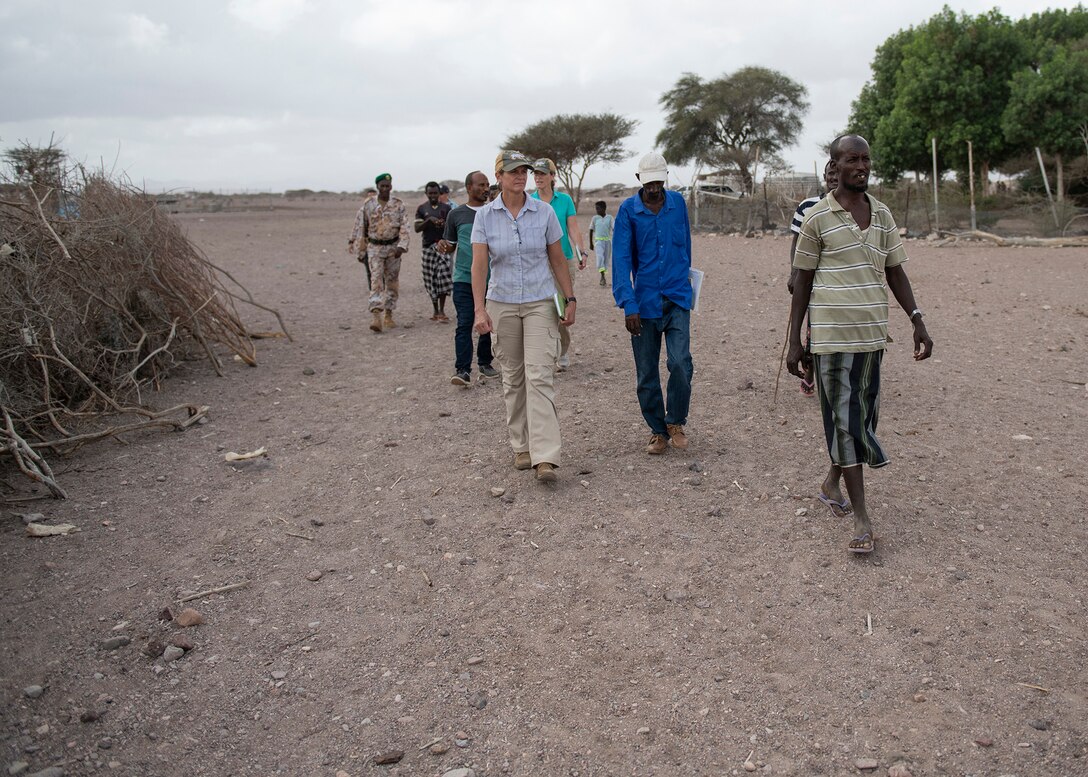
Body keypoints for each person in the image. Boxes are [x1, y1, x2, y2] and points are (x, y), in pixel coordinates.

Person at [787, 134, 934, 555]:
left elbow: (896, 273)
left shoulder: (883, 215)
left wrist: (917, 320)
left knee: (862, 418)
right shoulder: (817, 217)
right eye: (853, 159)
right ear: (834, 164)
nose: (862, 166)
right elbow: (802, 282)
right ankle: (862, 519)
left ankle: (832, 481)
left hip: (872, 337)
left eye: (866, 159)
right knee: (848, 421)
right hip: (831, 339)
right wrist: (796, 341)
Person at [472, 150, 576, 483]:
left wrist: (569, 297)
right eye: (513, 171)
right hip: (501, 303)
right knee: (513, 377)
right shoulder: (485, 217)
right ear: (499, 176)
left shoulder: (544, 213)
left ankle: (545, 457)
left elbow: (558, 259)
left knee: (540, 375)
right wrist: (479, 308)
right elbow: (479, 266)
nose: (520, 176)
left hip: (539, 302)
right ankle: (522, 446)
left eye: (524, 171)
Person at [612, 152, 694, 456]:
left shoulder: (677, 205)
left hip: (677, 298)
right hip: (643, 303)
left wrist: (686, 283)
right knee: (646, 372)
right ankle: (657, 431)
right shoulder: (627, 211)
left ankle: (676, 421)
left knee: (680, 363)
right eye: (649, 183)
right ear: (639, 181)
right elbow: (620, 258)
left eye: (659, 181)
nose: (654, 188)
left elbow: (685, 246)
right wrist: (628, 304)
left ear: (666, 178)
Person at [438, 170, 499, 386]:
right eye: (481, 185)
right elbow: (450, 244)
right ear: (468, 188)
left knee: (488, 321)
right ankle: (462, 370)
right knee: (465, 322)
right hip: (464, 277)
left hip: (492, 278)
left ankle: (485, 363)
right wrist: (444, 247)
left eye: (487, 185)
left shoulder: (495, 212)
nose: (485, 189)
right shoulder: (456, 215)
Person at [787, 160, 838, 396]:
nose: (834, 178)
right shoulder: (808, 206)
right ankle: (810, 371)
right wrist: (794, 272)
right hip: (811, 275)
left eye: (838, 174)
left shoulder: (855, 205)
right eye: (830, 174)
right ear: (824, 177)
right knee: (812, 326)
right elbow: (796, 242)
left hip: (837, 276)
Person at [531, 158, 587, 370]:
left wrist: (581, 251)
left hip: (563, 260)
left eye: (543, 174)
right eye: (535, 174)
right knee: (542, 308)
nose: (538, 177)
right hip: (538, 262)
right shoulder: (530, 201)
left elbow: (572, 228)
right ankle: (548, 351)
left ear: (552, 176)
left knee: (560, 308)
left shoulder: (564, 200)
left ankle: (562, 350)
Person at [353, 173, 409, 333]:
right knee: (376, 280)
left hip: (393, 249)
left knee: (392, 282)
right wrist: (361, 250)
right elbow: (362, 228)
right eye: (382, 186)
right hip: (374, 248)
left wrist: (402, 246)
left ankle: (389, 313)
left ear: (391, 186)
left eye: (387, 185)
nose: (385, 188)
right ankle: (376, 315)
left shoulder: (398, 204)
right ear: (378, 187)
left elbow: (405, 226)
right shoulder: (368, 205)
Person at [415, 181, 453, 322]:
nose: (433, 195)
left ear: (439, 193)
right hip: (427, 248)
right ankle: (435, 310)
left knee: (442, 279)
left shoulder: (447, 208)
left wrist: (443, 224)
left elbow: (452, 228)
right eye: (430, 193)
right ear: (426, 194)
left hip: (442, 248)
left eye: (435, 193)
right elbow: (417, 228)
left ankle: (442, 311)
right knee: (430, 279)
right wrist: (429, 221)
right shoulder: (421, 209)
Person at [347, 187, 378, 287]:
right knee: (368, 266)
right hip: (365, 243)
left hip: (379, 244)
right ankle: (372, 288)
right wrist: (351, 241)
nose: (371, 199)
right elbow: (356, 226)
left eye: (373, 196)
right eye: (369, 197)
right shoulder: (361, 211)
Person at [588, 200, 614, 286]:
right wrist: (591, 243)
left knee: (606, 260)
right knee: (600, 258)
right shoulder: (595, 218)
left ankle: (603, 277)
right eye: (596, 209)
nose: (597, 211)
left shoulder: (610, 218)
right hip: (598, 241)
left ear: (604, 208)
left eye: (598, 209)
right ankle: (602, 276)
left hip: (607, 242)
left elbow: (614, 228)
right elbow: (591, 230)